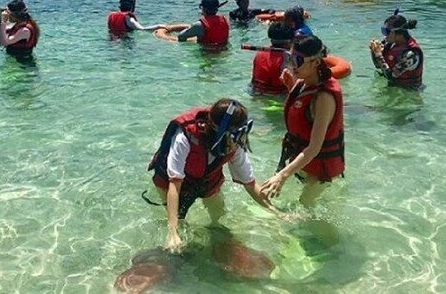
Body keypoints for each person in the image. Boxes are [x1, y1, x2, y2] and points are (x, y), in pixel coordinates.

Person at [147, 98, 274, 252]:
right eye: (235, 135)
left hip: (206, 180)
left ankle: (216, 244)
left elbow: (250, 184)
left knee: (219, 213)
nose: (238, 141)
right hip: (171, 182)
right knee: (178, 223)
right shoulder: (186, 137)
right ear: (218, 130)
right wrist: (172, 232)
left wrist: (276, 212)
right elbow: (174, 183)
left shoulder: (235, 143)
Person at [261, 35, 344, 207]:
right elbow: (304, 114)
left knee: (305, 206)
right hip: (305, 163)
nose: (291, 64)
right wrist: (292, 88)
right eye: (289, 58)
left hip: (320, 170)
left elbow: (315, 147)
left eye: (297, 60)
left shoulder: (324, 97)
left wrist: (282, 176)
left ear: (315, 62)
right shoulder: (303, 84)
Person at [369, 12, 423, 89]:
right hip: (393, 88)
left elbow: (391, 76)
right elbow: (378, 66)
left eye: (386, 32)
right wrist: (374, 50)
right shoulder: (391, 44)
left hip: (408, 93)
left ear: (396, 32)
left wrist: (378, 55)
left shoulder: (411, 54)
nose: (384, 36)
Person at [250, 22, 294, 95]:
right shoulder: (287, 58)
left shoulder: (260, 53)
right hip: (277, 97)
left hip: (256, 93)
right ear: (288, 42)